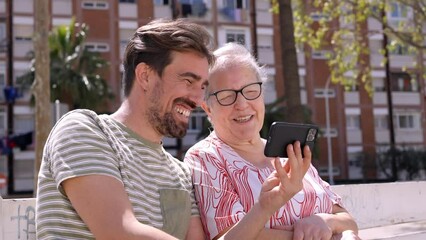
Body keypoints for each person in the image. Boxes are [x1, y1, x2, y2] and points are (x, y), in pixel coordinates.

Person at [35, 18, 310, 240]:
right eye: (188, 80)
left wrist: (264, 208)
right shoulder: (85, 129)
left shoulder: (179, 173)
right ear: (145, 75)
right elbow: (118, 231)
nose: (197, 98)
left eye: (202, 86)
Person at [184, 42, 360, 240]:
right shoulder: (206, 157)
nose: (241, 104)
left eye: (250, 91)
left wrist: (324, 222)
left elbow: (348, 220)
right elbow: (228, 236)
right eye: (226, 96)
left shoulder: (289, 151)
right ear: (207, 108)